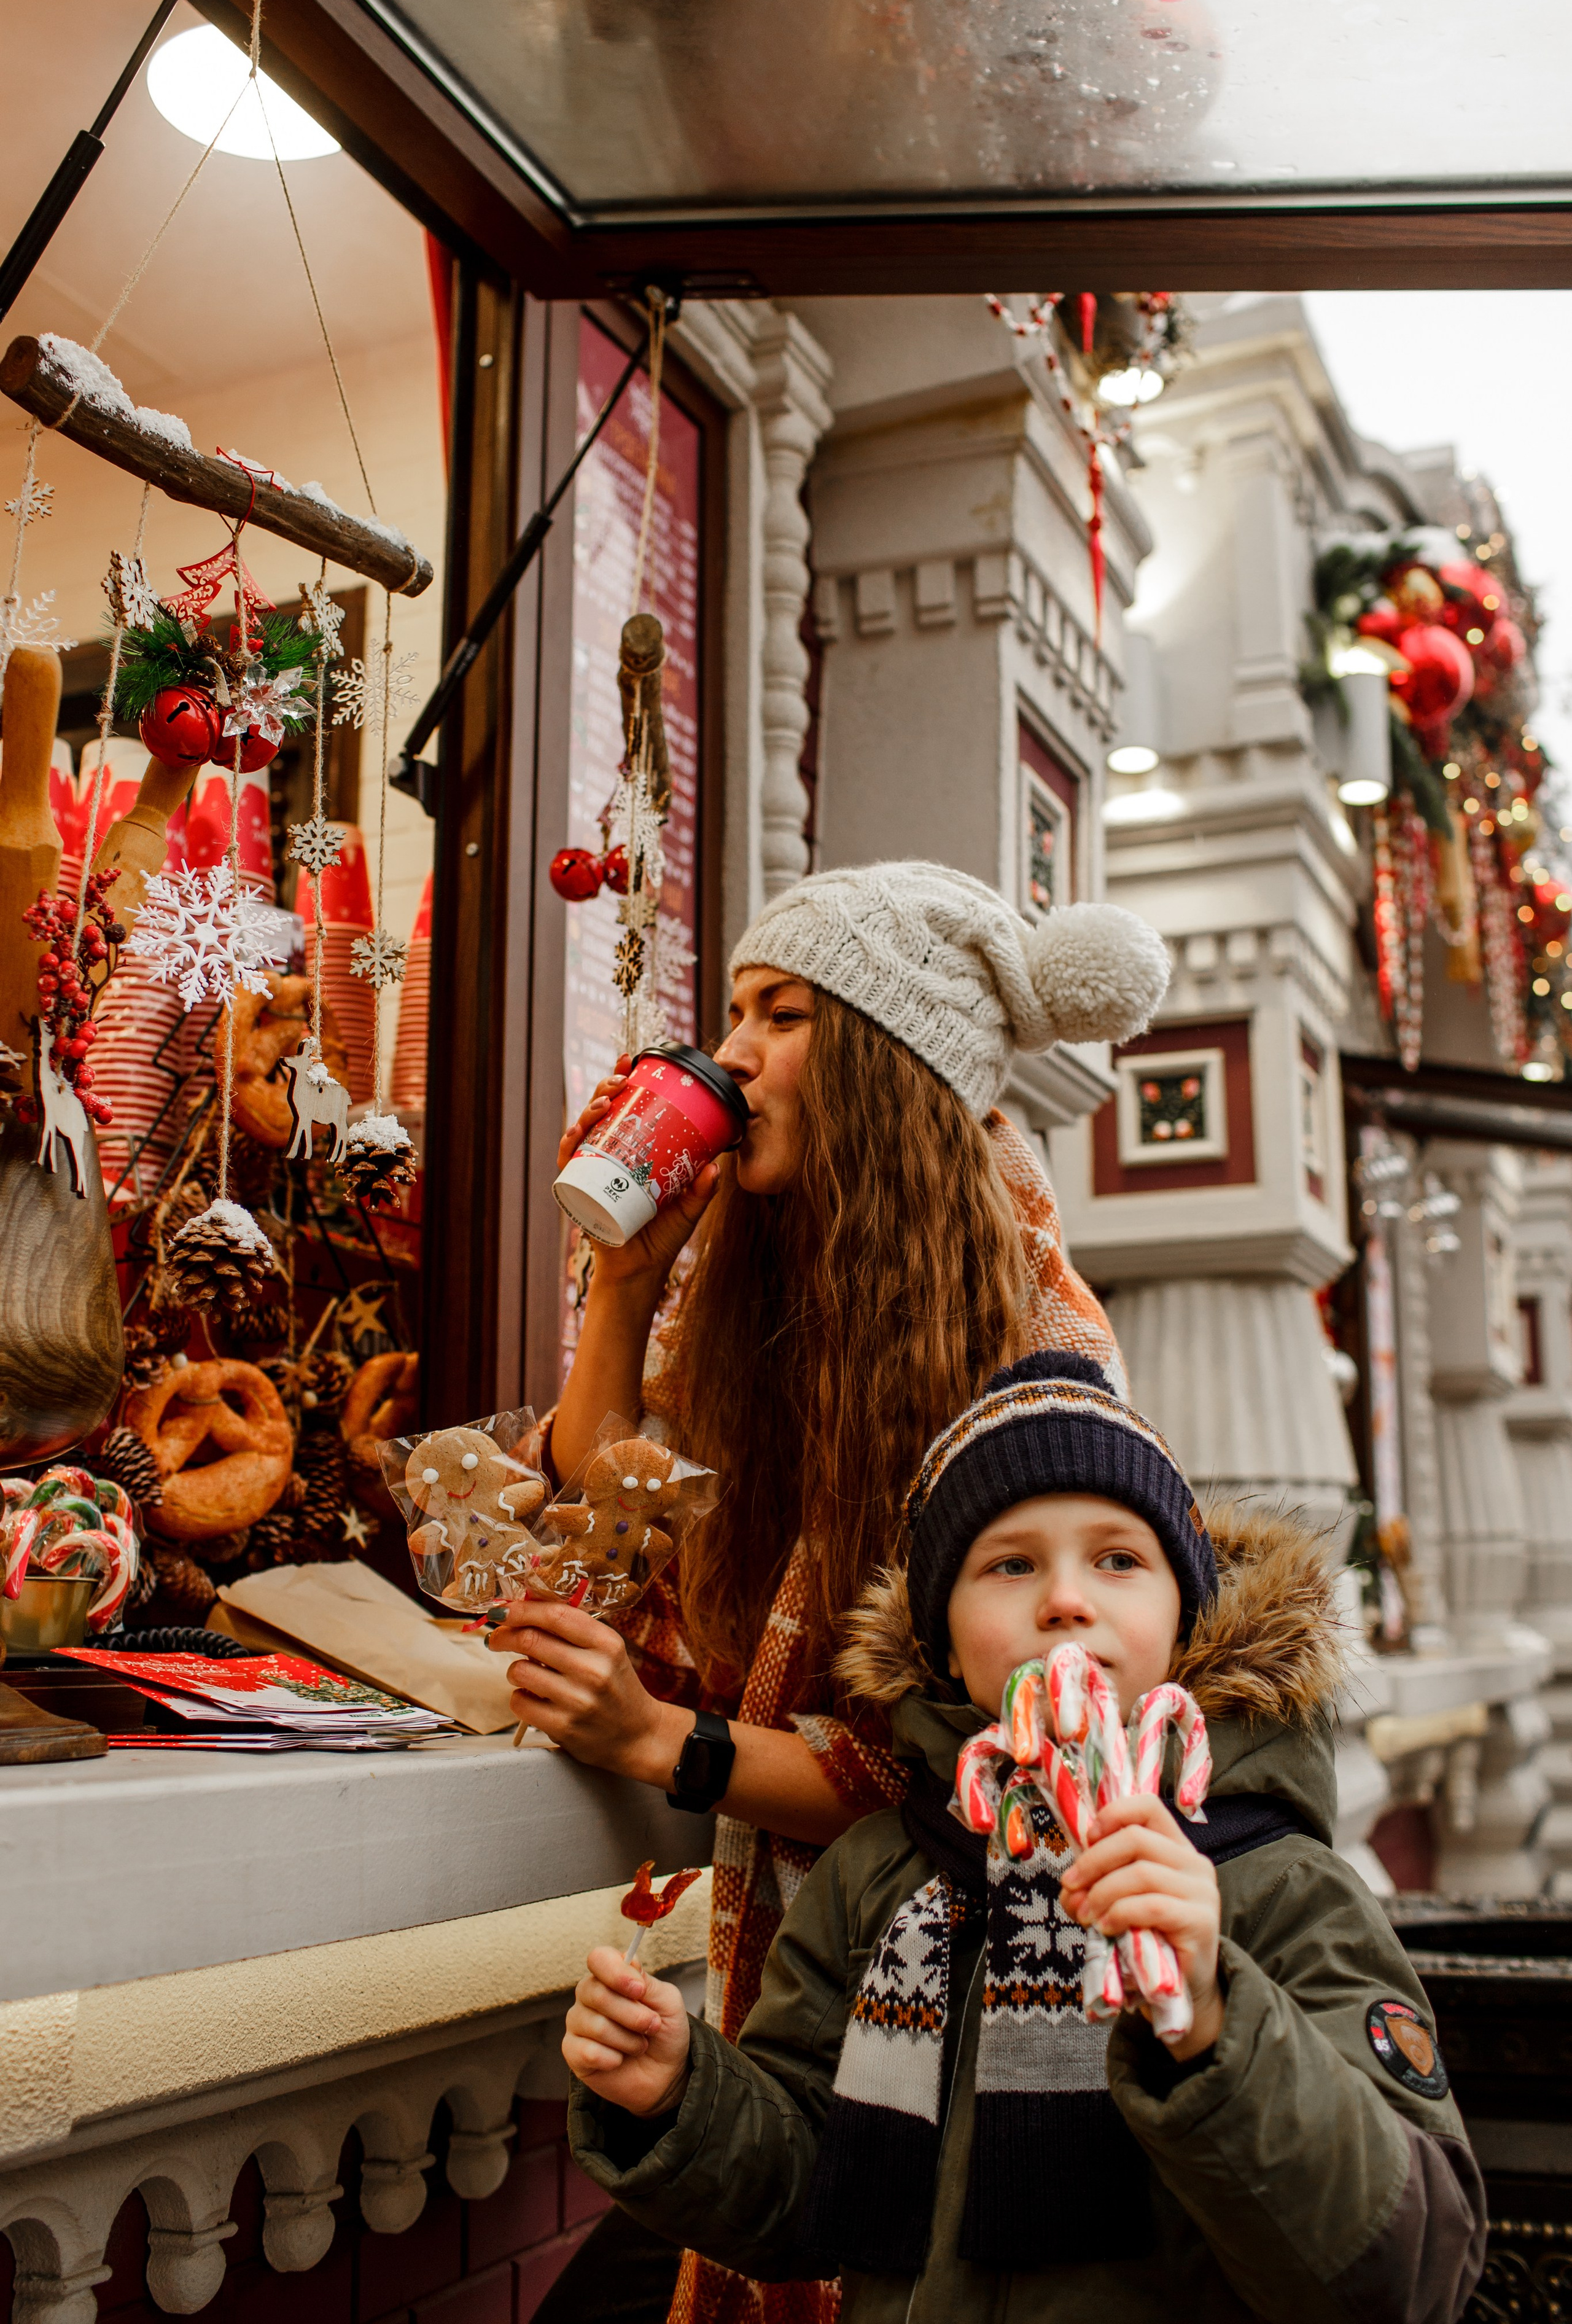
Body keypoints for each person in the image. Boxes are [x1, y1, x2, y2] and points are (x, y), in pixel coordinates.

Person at [495, 861, 1170, 2324]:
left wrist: (666, 1748)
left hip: (968, 2021)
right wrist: (618, 1293)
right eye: (732, 1008)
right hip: (790, 1989)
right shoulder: (791, 1320)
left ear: (885, 1068)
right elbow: (608, 1546)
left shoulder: (1032, 1364)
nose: (730, 1053)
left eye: (782, 1015)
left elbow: (998, 1773)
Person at [561, 1351, 1487, 2323]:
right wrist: (679, 2096)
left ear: (1186, 1615)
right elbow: (809, 2194)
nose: (1066, 1600)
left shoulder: (1275, 1888)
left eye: (1119, 1559)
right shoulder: (879, 1878)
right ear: (943, 1645)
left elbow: (1411, 2274)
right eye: (1010, 1564)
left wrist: (1217, 2019)